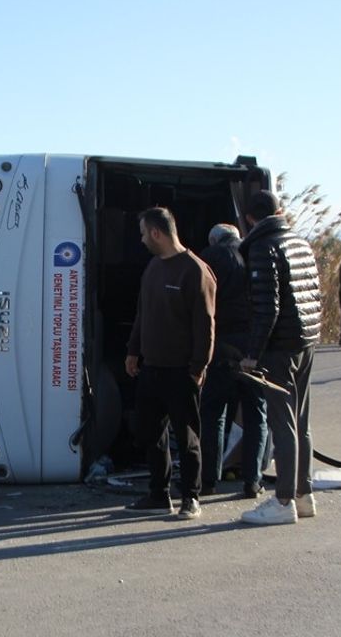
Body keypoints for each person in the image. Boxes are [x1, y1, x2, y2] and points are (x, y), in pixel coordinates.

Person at [124, 206, 216, 521]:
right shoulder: (152, 268)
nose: (141, 239)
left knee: (186, 435)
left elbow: (205, 325)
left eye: (142, 232)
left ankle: (191, 496)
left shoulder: (194, 270)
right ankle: (158, 494)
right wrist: (133, 350)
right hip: (152, 367)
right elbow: (142, 313)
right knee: (150, 432)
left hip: (182, 370)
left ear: (156, 233)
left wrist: (198, 366)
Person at [238, 191, 322, 526]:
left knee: (282, 422)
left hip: (280, 347)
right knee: (301, 421)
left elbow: (267, 307)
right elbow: (315, 293)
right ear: (280, 211)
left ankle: (283, 500)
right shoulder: (300, 241)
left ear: (248, 219)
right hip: (306, 340)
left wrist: (252, 354)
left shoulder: (262, 247)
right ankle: (304, 494)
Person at [197, 223, 266, 499]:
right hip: (253, 347)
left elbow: (202, 302)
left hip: (222, 345)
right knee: (255, 414)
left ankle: (208, 480)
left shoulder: (210, 257)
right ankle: (252, 481)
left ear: (214, 240)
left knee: (213, 413)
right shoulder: (256, 253)